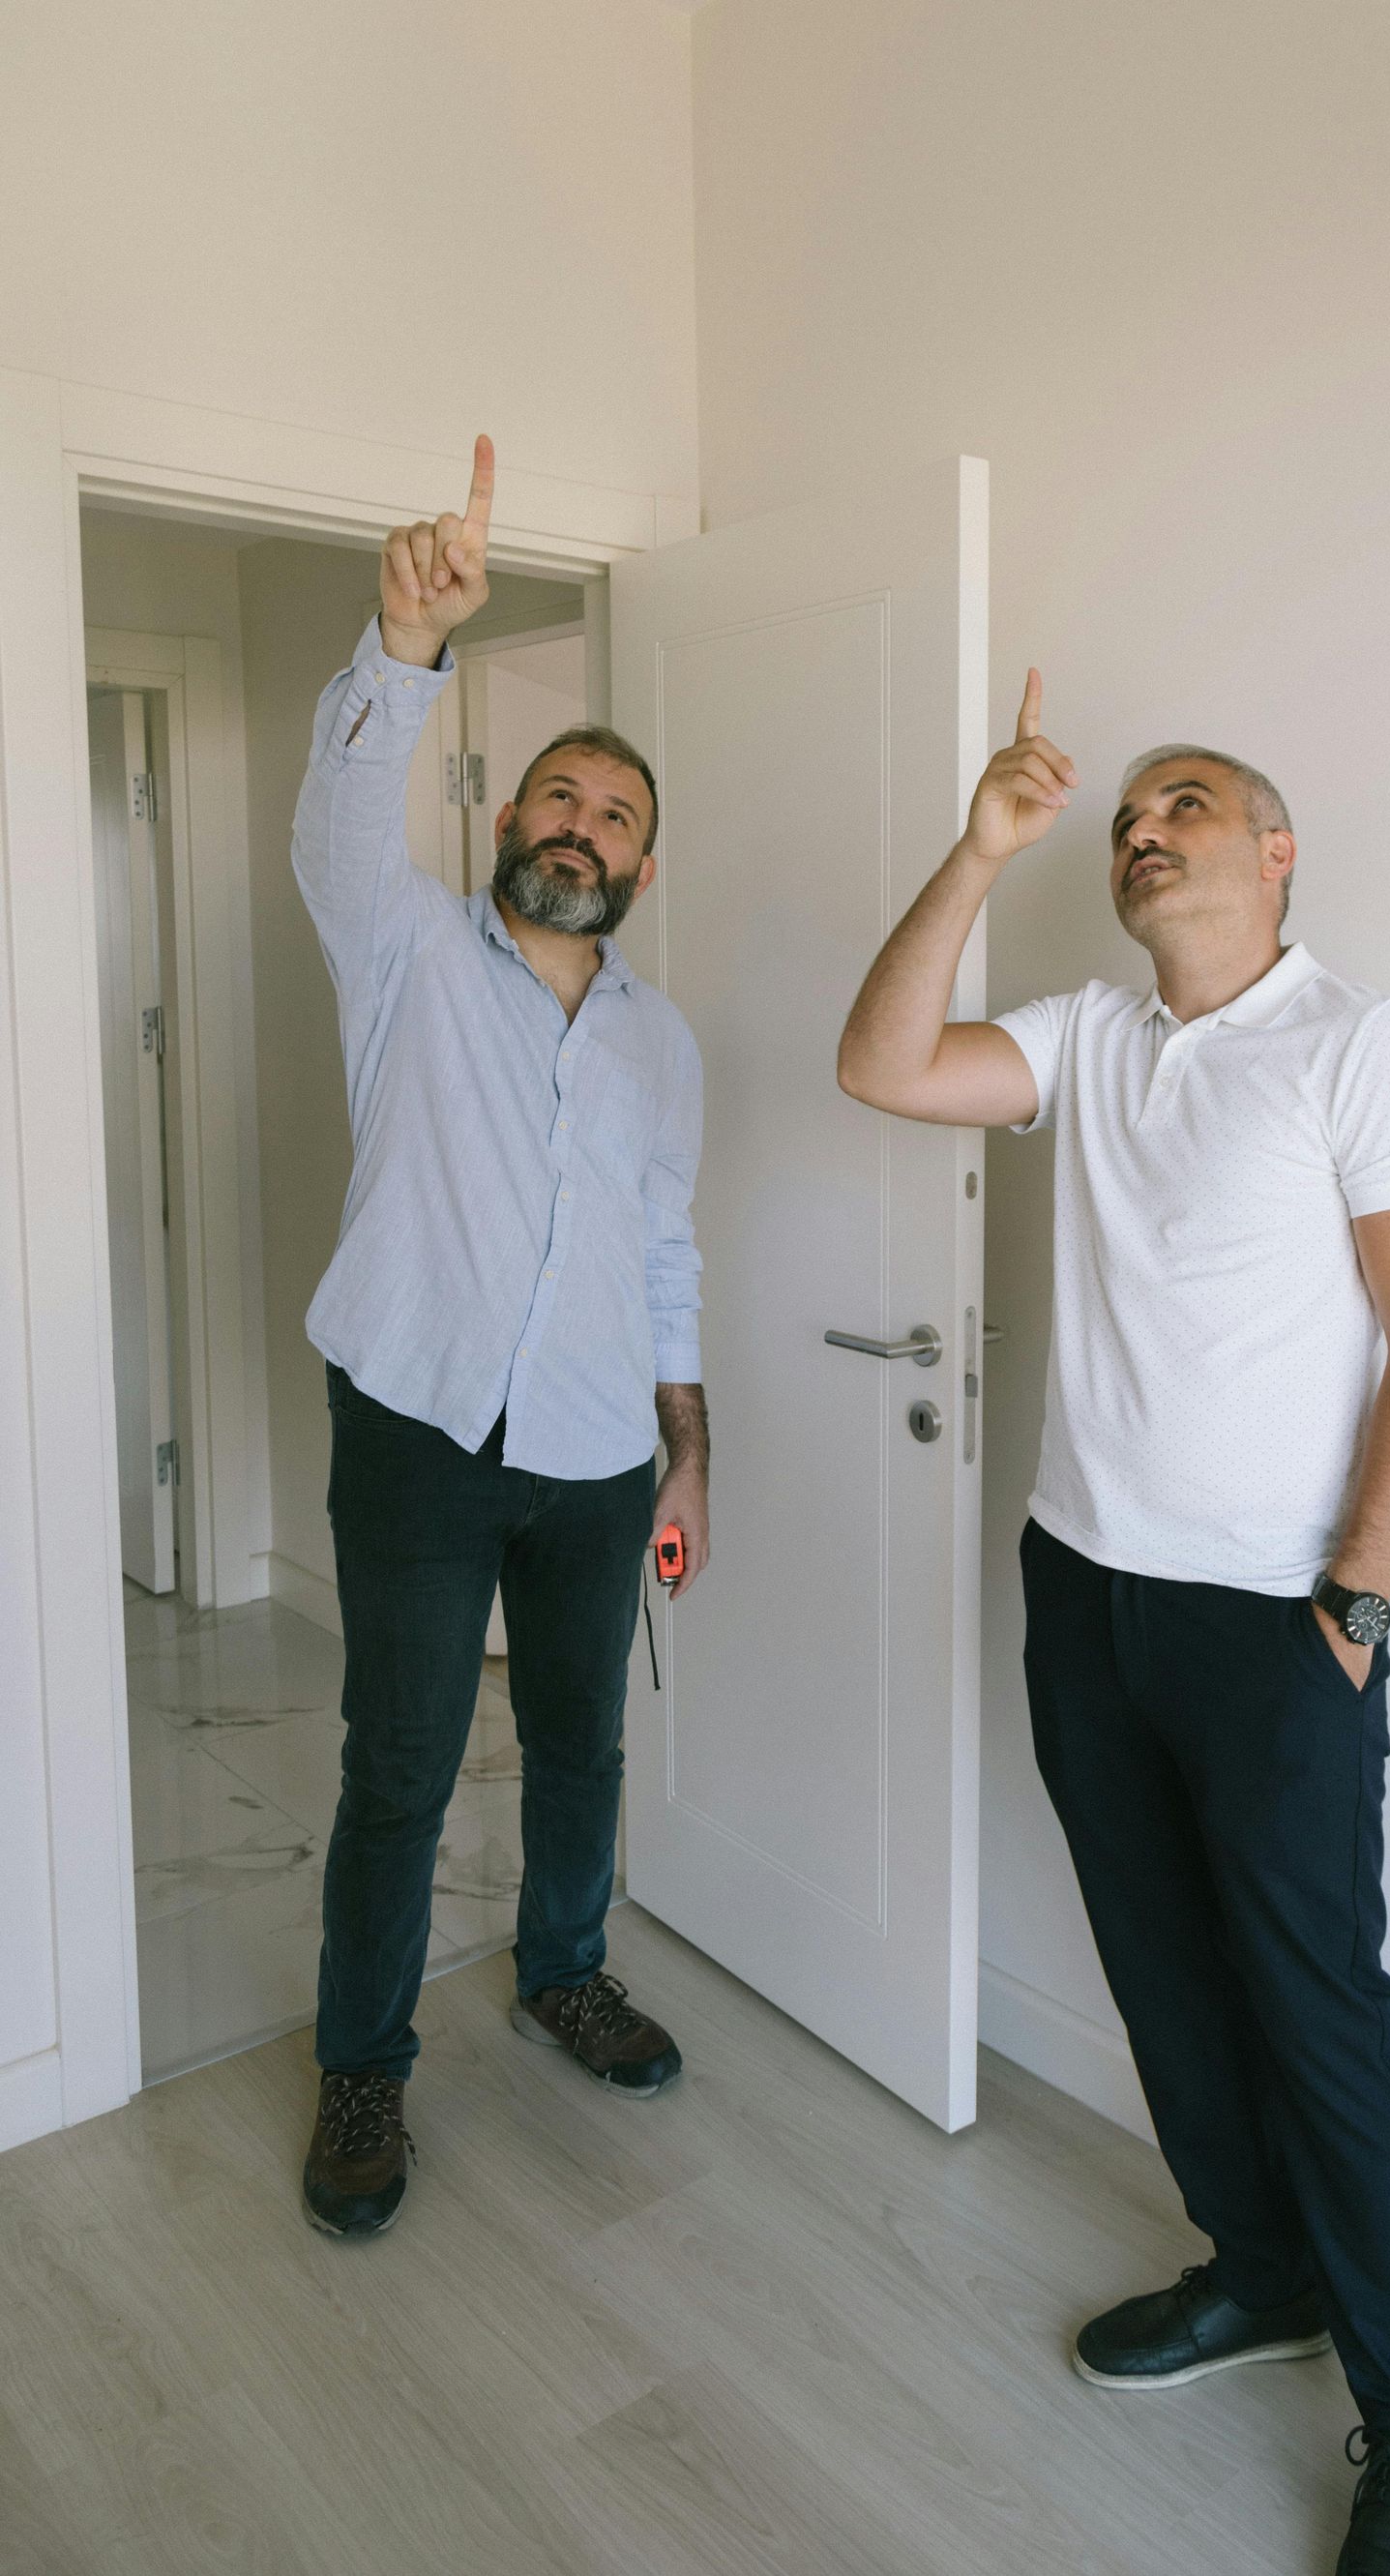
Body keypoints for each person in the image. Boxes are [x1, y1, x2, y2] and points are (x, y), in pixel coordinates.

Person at [837, 674, 1390, 2576]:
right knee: (1164, 1968)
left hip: (1279, 1620)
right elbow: (880, 1064)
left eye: (1183, 801)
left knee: (1323, 2015)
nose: (1143, 826)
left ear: (1275, 853)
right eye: (1127, 812)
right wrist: (979, 849)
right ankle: (1258, 2269)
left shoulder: (1363, 1044)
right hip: (1083, 1585)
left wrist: (1356, 1599)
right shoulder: (1091, 1036)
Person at [291, 437, 709, 2240]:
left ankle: (561, 1974)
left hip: (604, 1448)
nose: (580, 827)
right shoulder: (397, 952)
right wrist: (404, 647)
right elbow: (333, 822)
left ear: (637, 867)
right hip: (417, 1427)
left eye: (616, 817)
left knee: (582, 1741)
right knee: (398, 1764)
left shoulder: (661, 1045)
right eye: (558, 795)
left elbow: (666, 1243)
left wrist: (690, 1438)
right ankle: (366, 2067)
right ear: (503, 816)